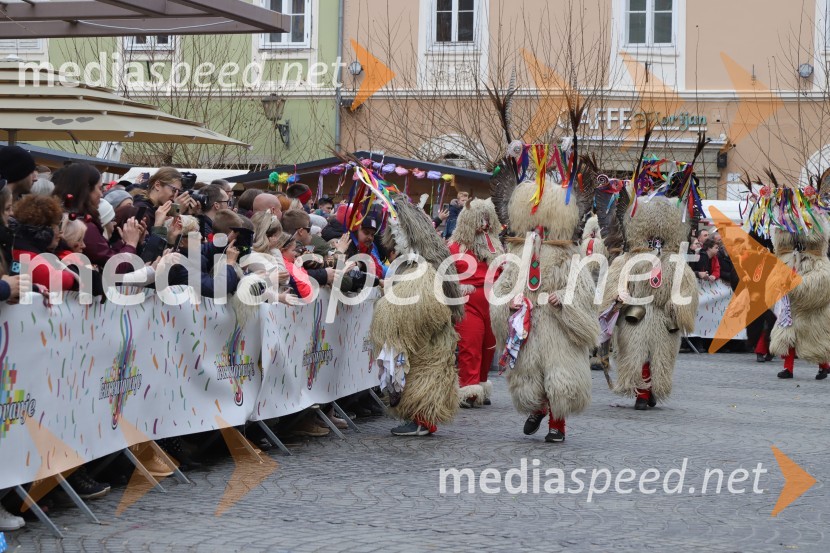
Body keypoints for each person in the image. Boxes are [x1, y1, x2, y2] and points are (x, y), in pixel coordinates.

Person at [489, 151, 599, 443]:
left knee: (558, 374)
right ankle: (538, 409)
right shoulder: (516, 252)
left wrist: (563, 297)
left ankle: (557, 424)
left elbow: (582, 289)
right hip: (526, 322)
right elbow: (502, 286)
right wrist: (508, 301)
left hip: (556, 323)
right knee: (530, 373)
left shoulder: (568, 254)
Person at [370, 194, 465, 437]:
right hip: (425, 342)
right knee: (420, 373)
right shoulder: (414, 268)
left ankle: (422, 420)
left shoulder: (423, 272)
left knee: (426, 374)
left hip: (428, 343)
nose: (396, 242)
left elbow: (427, 310)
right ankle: (420, 418)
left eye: (399, 235)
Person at [601, 187, 699, 412]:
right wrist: (617, 296)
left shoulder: (676, 263)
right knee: (636, 354)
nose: (656, 241)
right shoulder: (628, 259)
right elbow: (614, 281)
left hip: (664, 318)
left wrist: (677, 306)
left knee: (660, 358)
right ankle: (642, 393)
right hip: (635, 315)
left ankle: (651, 389)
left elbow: (688, 290)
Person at [447, 198, 503, 407]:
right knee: (470, 344)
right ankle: (468, 389)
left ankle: (480, 384)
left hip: (492, 303)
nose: (484, 225)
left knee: (489, 346)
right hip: (468, 303)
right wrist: (457, 288)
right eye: (480, 219)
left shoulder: (495, 246)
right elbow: (445, 275)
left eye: (487, 219)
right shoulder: (454, 247)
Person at [52, 163, 143, 270]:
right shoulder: (83, 225)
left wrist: (123, 243)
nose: (101, 194)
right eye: (99, 188)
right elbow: (115, 267)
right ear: (86, 190)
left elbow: (105, 254)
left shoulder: (64, 215)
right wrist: (131, 244)